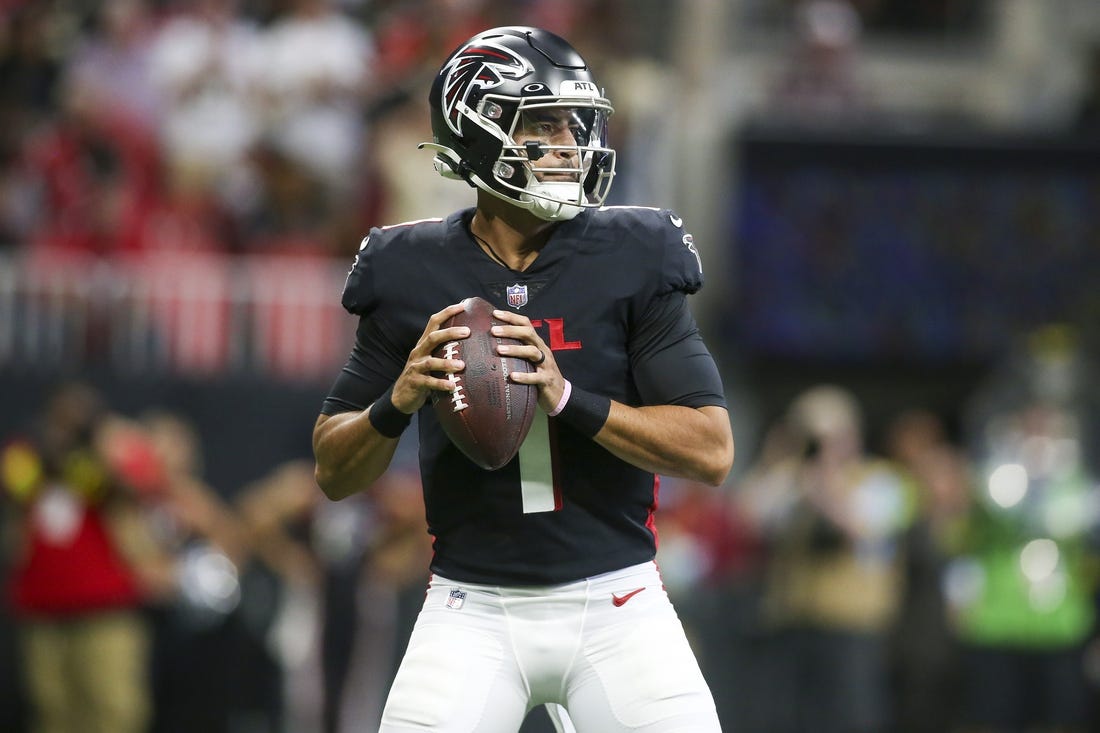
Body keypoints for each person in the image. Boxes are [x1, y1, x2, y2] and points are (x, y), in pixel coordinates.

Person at [312, 25, 734, 733]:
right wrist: (397, 401)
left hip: (618, 602)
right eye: (544, 124)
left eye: (575, 121)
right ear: (478, 137)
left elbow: (711, 449)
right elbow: (332, 467)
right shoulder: (408, 266)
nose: (572, 142)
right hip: (471, 605)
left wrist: (568, 398)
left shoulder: (634, 253)